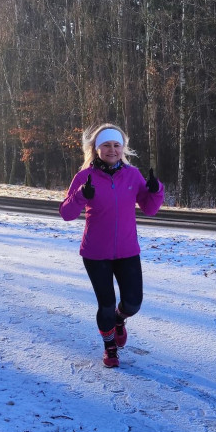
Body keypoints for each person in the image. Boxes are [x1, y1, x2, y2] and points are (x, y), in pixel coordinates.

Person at [60, 124, 164, 368]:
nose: (112, 150)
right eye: (106, 145)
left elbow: (150, 209)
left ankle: (119, 320)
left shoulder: (132, 175)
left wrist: (155, 190)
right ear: (97, 149)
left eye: (116, 145)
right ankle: (110, 348)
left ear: (123, 148)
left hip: (127, 250)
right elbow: (66, 213)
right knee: (105, 304)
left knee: (133, 303)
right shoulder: (84, 177)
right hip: (96, 253)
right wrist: (80, 196)